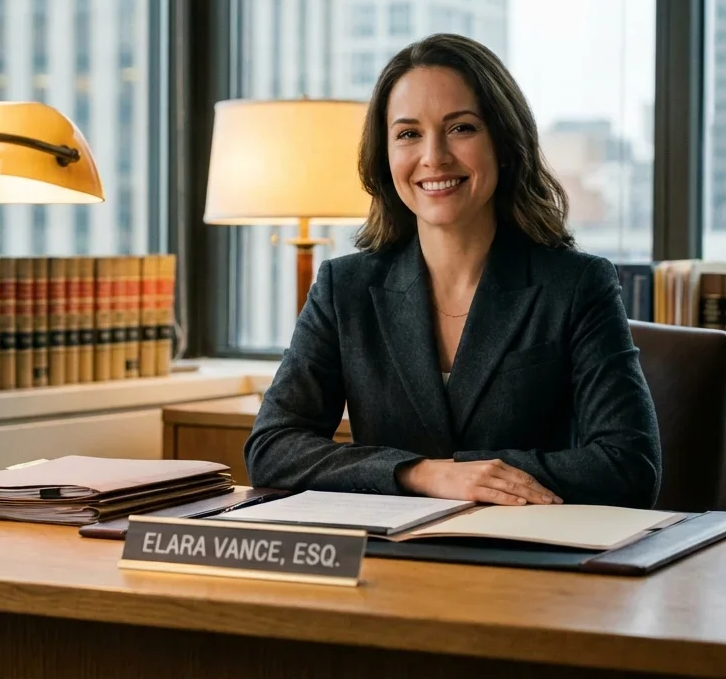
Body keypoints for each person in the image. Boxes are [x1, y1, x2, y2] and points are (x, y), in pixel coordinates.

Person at [244, 33, 662, 510]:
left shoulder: (577, 285)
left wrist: (477, 477)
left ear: (503, 143)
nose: (434, 156)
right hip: (392, 561)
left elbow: (630, 467)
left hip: (528, 559)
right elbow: (272, 447)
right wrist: (423, 474)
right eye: (408, 134)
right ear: (385, 156)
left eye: (461, 128)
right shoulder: (345, 288)